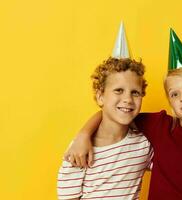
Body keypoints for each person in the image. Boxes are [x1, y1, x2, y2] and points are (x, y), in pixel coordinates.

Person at [65, 28, 182, 199]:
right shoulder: (161, 126)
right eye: (175, 94)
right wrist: (83, 134)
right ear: (171, 104)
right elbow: (113, 114)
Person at [57, 23, 153, 200]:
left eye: (135, 92)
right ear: (100, 96)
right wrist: (84, 135)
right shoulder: (80, 150)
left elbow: (177, 162)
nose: (127, 99)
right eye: (118, 90)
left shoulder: (143, 145)